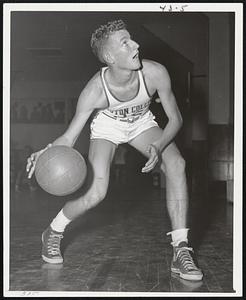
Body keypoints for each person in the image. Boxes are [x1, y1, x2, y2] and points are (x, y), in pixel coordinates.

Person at [26, 20, 203, 281]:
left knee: (176, 164)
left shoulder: (155, 73)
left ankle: (180, 249)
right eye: (126, 42)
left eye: (132, 38)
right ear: (110, 57)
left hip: (142, 124)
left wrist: (160, 144)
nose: (136, 44)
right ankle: (53, 231)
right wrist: (46, 151)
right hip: (107, 128)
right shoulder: (94, 91)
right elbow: (70, 136)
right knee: (96, 191)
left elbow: (175, 119)